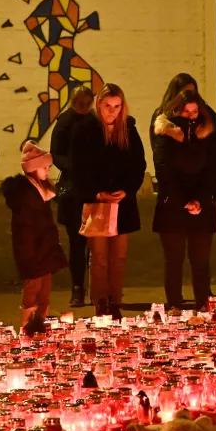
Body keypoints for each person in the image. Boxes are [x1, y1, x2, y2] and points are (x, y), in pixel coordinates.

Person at [71, 83, 147, 318]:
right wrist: (97, 193)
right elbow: (78, 168)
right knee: (99, 256)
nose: (112, 111)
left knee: (119, 257)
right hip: (98, 203)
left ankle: (115, 300)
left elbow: (138, 164)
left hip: (122, 203)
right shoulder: (85, 130)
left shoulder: (128, 130)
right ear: (98, 105)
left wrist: (127, 190)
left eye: (117, 106)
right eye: (107, 106)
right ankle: (101, 301)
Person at [151, 89, 216, 311]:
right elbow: (163, 170)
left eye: (195, 111)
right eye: (186, 111)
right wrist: (182, 200)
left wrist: (200, 200)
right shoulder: (165, 136)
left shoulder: (206, 135)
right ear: (176, 110)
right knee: (174, 260)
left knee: (201, 260)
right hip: (172, 206)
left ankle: (203, 303)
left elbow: (212, 170)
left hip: (201, 206)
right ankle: (174, 304)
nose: (191, 115)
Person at [1, 141, 67, 327]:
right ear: (33, 169)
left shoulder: (41, 192)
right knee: (33, 290)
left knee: (45, 291)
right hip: (33, 252)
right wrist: (29, 255)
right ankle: (28, 325)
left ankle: (40, 323)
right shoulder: (25, 197)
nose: (48, 170)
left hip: (44, 250)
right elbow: (25, 230)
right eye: (44, 167)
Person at [50, 85, 94, 308]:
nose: (84, 108)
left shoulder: (87, 121)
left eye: (87, 104)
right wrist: (76, 168)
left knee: (89, 244)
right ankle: (78, 287)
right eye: (81, 105)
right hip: (76, 190)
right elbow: (56, 154)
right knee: (78, 243)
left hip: (87, 189)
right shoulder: (66, 123)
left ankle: (91, 288)